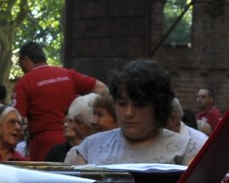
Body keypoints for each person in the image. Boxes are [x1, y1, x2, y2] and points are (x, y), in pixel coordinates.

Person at [66, 60, 205, 167]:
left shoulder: (187, 150)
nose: (129, 113)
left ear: (158, 106)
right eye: (122, 103)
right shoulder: (90, 148)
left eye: (139, 105)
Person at [13, 42, 106, 163]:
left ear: (26, 60)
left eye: (20, 64)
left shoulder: (24, 83)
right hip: (74, 139)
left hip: (43, 143)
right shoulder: (67, 74)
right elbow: (102, 88)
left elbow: (16, 116)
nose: (21, 68)